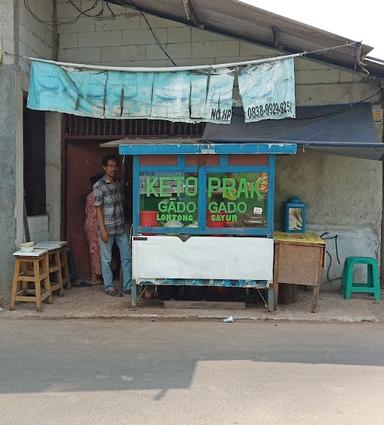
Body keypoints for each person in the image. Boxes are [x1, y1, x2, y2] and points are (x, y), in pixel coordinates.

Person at [93, 155, 132, 296]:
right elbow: (98, 209)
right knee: (106, 259)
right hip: (107, 228)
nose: (113, 169)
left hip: (120, 227)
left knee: (126, 257)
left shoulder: (119, 184)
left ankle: (128, 286)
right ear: (104, 167)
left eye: (115, 166)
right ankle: (109, 287)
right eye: (110, 166)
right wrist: (102, 229)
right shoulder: (99, 186)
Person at [83, 173, 104, 286]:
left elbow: (87, 212)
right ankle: (99, 276)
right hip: (98, 225)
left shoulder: (90, 196)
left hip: (90, 225)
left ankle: (95, 276)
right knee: (101, 251)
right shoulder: (99, 195)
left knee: (94, 251)